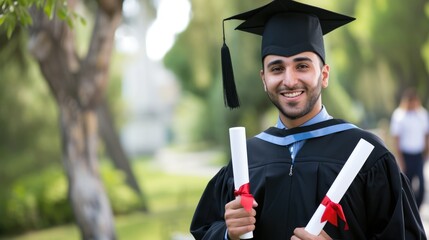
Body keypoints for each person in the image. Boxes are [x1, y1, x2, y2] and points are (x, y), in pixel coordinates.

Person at [190, 0, 427, 239]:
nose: (290, 80)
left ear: (324, 75)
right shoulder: (247, 160)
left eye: (302, 66)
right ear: (264, 79)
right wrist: (227, 234)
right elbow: (204, 230)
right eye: (277, 68)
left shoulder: (368, 156)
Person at [390, 87, 429, 209]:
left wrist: (426, 152)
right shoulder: (399, 115)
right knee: (408, 183)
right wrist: (399, 158)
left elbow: (426, 134)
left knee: (421, 184)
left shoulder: (422, 114)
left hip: (419, 153)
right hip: (406, 155)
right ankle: (410, 208)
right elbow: (396, 138)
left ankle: (417, 207)